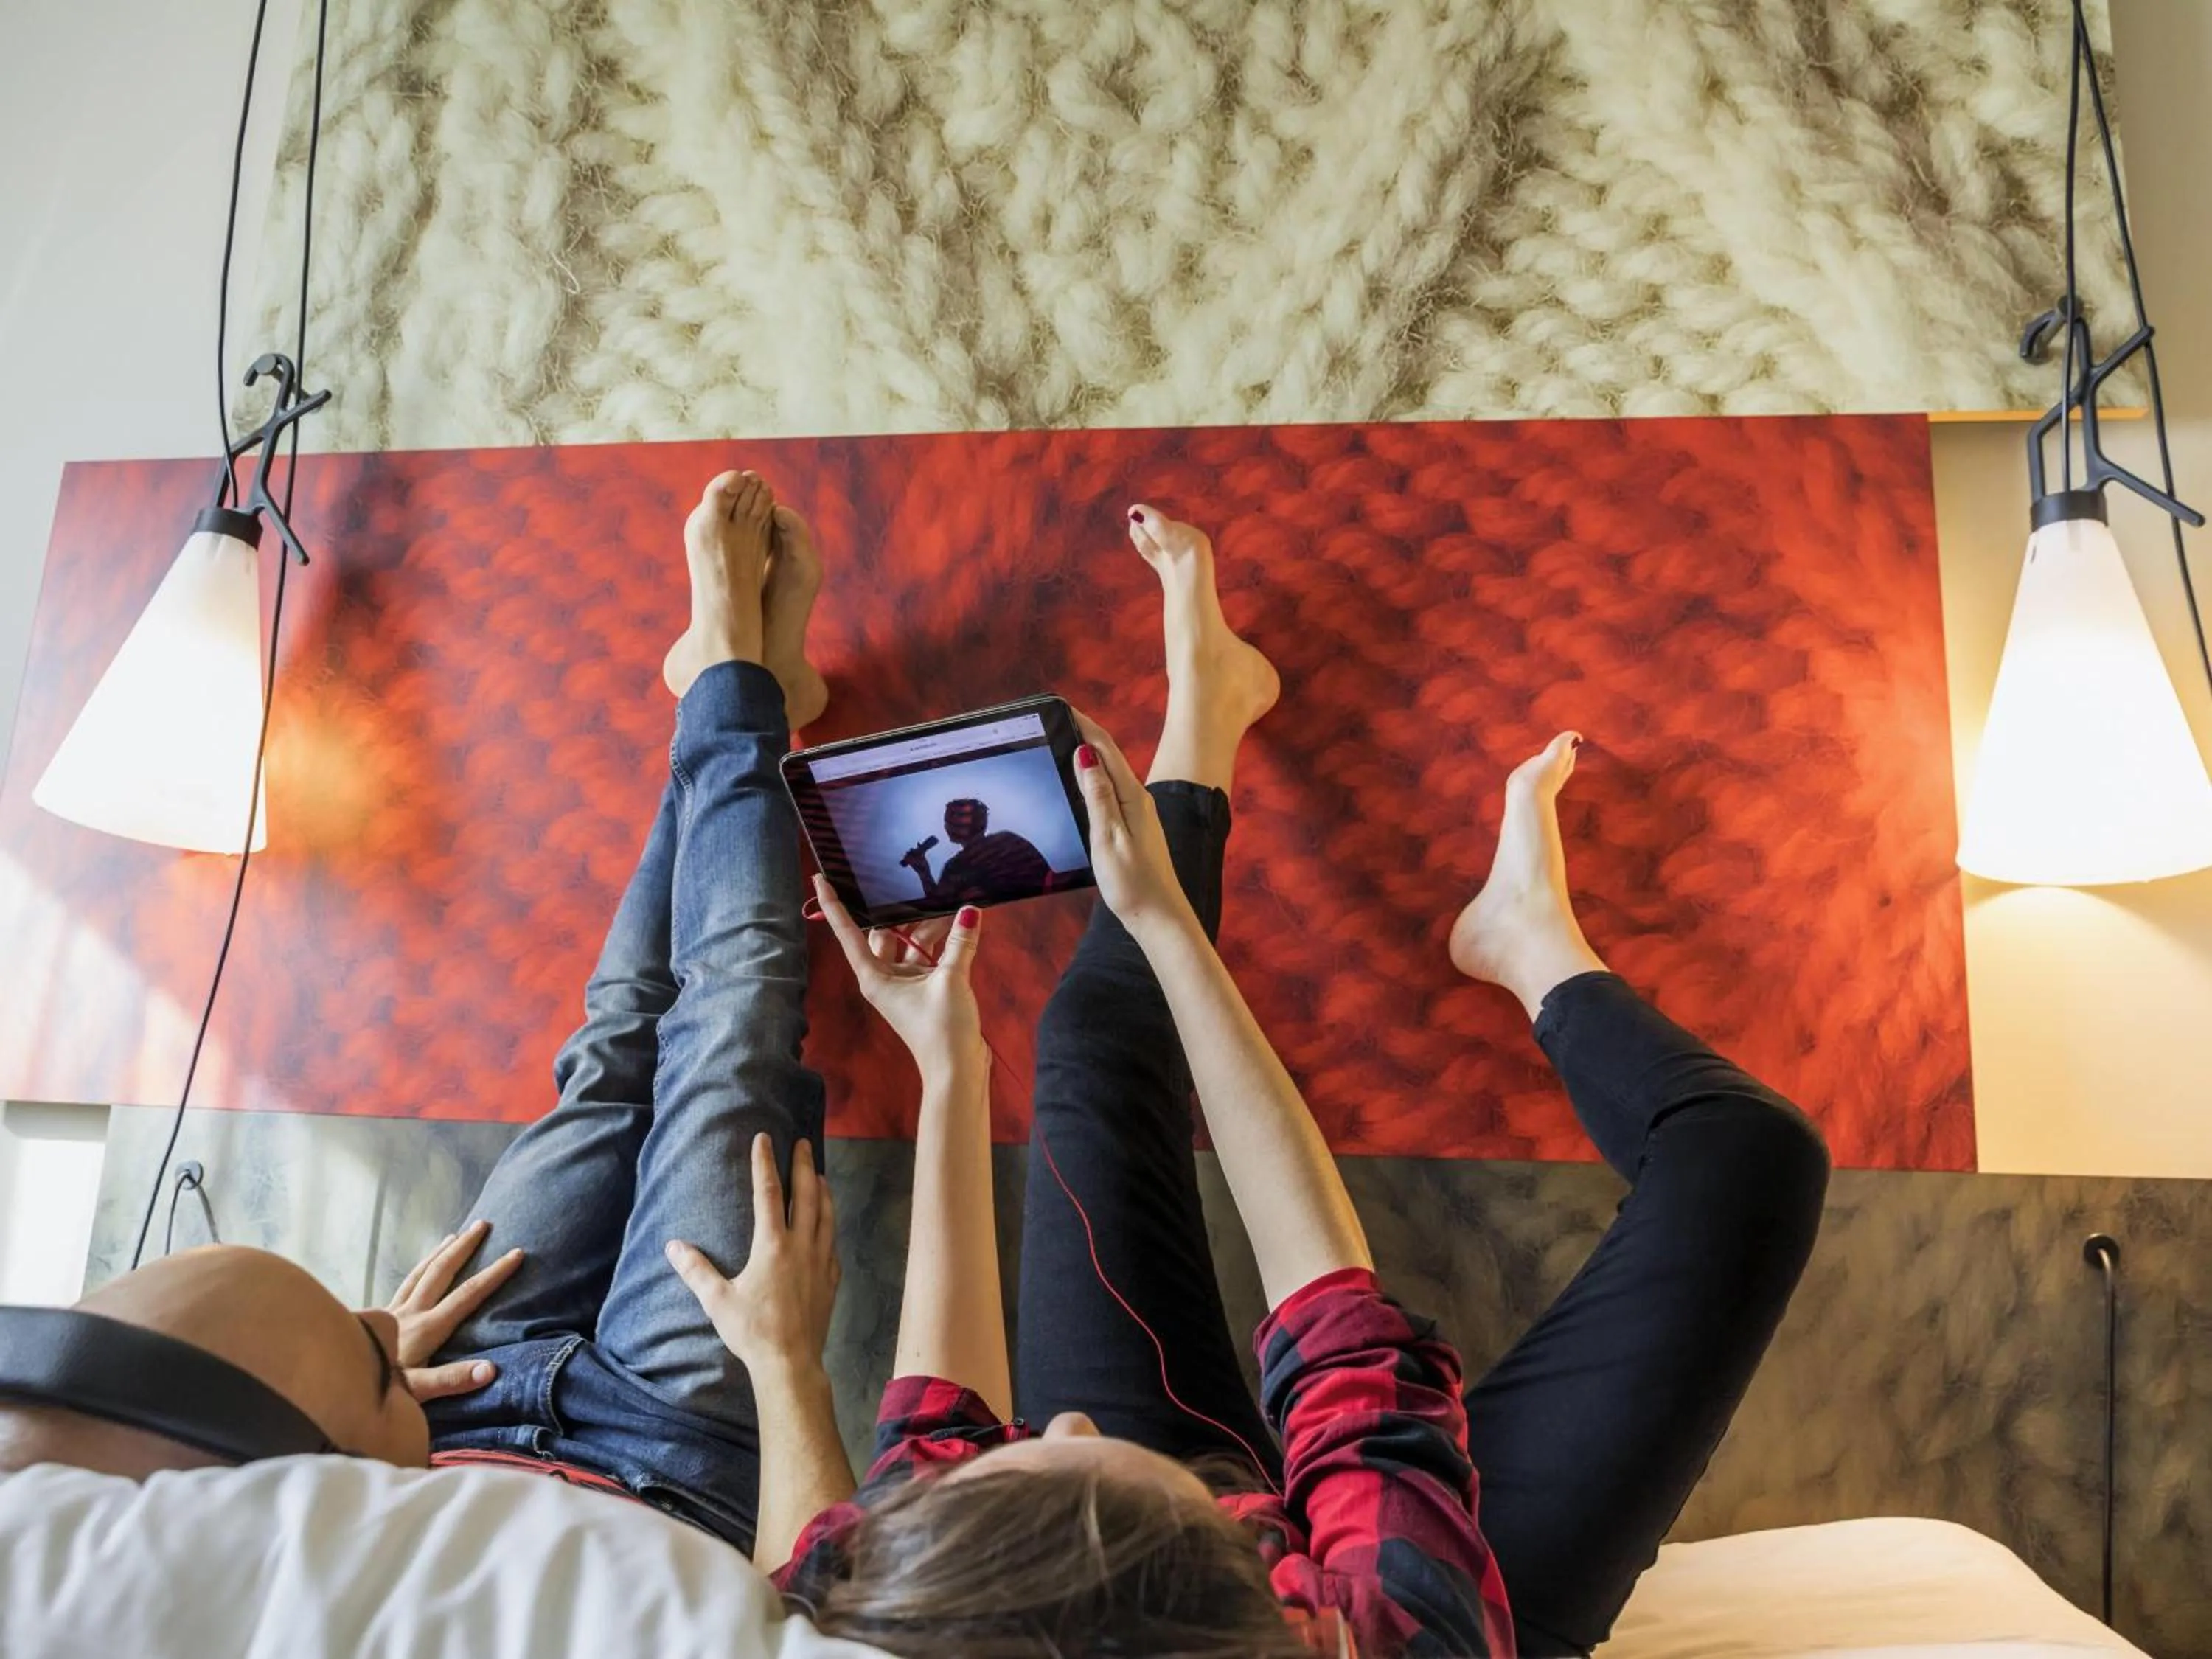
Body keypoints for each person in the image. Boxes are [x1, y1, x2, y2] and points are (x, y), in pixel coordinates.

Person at [774, 504, 1831, 1659]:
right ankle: (1527, 938)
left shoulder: (891, 1608)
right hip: (1455, 1596)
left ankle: (1212, 699)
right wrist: (1170, 929)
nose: (1056, 1413)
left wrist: (949, 1062)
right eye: (1052, 1449)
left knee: (1091, 1042)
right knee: (1750, 1161)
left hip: (1124, 1572)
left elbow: (929, 1448)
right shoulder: (1397, 1627)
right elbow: (1340, 1338)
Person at [3, 469, 862, 1575]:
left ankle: (740, 682)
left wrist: (362, 1378)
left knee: (611, 1055)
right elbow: (817, 1612)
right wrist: (787, 1370)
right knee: (732, 1024)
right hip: (667, 1458)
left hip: (446, 1405)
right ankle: (735, 680)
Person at [900, 799, 1051, 905]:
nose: (945, 826)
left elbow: (940, 905)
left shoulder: (957, 865)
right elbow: (1045, 874)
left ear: (951, 828)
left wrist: (924, 873)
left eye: (948, 821)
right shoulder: (1010, 838)